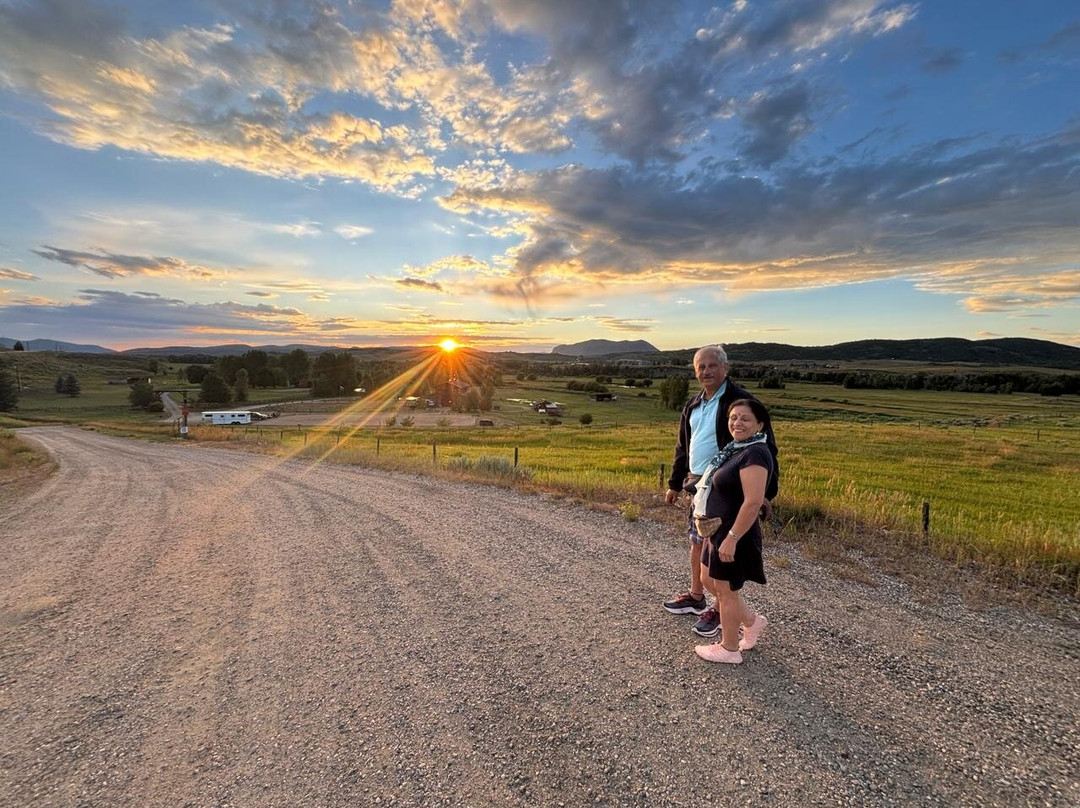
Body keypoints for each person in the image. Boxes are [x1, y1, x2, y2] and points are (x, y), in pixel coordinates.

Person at [662, 345, 778, 638]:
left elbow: (767, 450)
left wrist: (766, 493)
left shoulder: (740, 403)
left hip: (726, 489)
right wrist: (675, 483)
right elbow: (682, 447)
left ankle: (721, 607)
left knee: (717, 552)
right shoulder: (693, 404)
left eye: (713, 365)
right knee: (697, 542)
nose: (706, 372)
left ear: (726, 368)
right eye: (701, 367)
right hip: (696, 484)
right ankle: (696, 596)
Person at [693, 398, 775, 664]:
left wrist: (732, 538)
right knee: (708, 580)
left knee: (727, 592)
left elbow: (753, 502)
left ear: (760, 424)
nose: (737, 423)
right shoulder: (735, 449)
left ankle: (729, 649)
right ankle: (752, 622)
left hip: (733, 533)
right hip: (715, 529)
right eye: (733, 417)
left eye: (745, 418)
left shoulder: (755, 453)